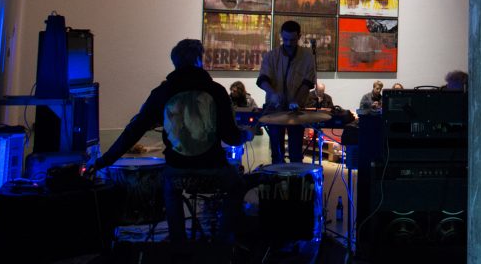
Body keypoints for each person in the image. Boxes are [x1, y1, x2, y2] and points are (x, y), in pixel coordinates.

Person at [92, 39, 251, 242]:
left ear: (175, 62)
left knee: (170, 188)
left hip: (177, 169)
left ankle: (178, 242)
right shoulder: (217, 91)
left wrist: (103, 161)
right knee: (238, 185)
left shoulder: (162, 92)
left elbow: (133, 131)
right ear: (198, 60)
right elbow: (231, 137)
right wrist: (247, 134)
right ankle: (223, 241)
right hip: (213, 168)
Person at [257, 20, 316, 164]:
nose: (289, 43)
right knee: (277, 155)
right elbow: (262, 79)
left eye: (293, 40)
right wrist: (273, 94)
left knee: (296, 154)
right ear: (281, 36)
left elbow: (308, 82)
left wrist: (296, 100)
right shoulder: (271, 56)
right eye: (286, 39)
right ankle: (278, 176)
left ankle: (295, 176)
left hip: (296, 111)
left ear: (299, 37)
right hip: (275, 110)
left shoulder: (307, 56)